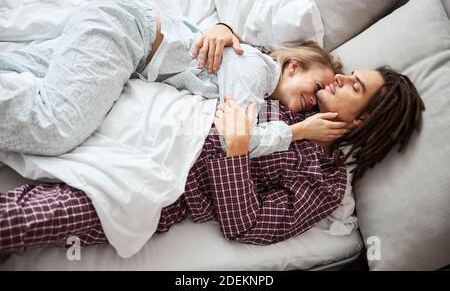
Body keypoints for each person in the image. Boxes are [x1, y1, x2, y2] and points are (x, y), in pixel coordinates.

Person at [0, 66, 424, 257]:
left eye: (354, 85)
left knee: (26, 218)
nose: (340, 76)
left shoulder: (324, 184)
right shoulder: (299, 94)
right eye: (350, 73)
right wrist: (222, 31)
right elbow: (250, 58)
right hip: (154, 118)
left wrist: (235, 152)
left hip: (164, 187)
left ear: (364, 119)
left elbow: (247, 227)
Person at [0, 0, 346, 158]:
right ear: (294, 66)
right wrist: (298, 131)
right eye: (316, 88)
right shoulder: (256, 70)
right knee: (56, 129)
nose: (313, 101)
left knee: (16, 69)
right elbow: (237, 139)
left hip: (119, 27)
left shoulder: (252, 64)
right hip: (125, 35)